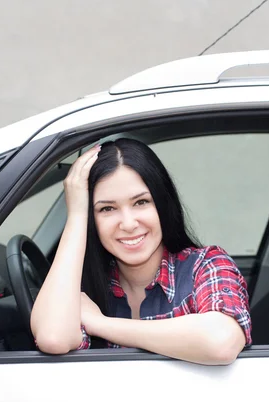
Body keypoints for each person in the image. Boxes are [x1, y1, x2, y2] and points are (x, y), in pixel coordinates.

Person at [30, 138, 252, 365]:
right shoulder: (82, 287)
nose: (128, 223)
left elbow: (221, 342)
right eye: (107, 208)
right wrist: (77, 215)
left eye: (141, 202)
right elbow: (53, 338)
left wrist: (100, 324)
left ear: (162, 204)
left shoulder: (206, 264)